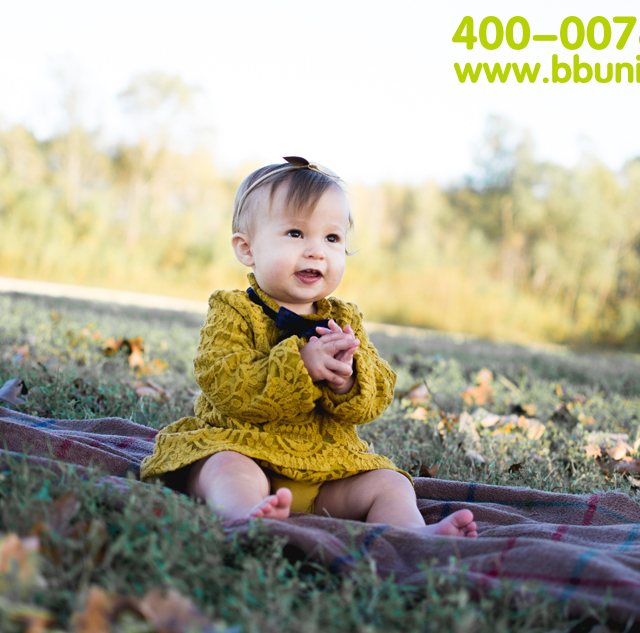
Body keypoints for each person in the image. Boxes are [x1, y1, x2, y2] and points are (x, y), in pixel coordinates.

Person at [141, 157, 477, 538]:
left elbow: (379, 391)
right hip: (245, 447)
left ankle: (413, 535)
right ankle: (245, 517)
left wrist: (348, 381)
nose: (317, 251)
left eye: (332, 238)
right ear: (247, 249)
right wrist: (299, 365)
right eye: (296, 234)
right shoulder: (233, 310)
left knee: (391, 483)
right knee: (223, 469)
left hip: (326, 469)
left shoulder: (344, 319)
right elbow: (224, 378)